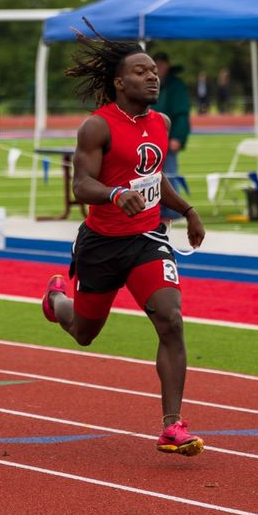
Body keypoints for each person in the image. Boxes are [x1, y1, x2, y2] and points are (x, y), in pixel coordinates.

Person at [41, 27, 206, 458]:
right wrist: (114, 193)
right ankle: (57, 299)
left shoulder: (162, 122)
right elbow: (81, 184)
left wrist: (186, 210)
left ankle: (173, 425)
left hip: (148, 238)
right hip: (102, 243)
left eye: (153, 71)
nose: (152, 77)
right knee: (83, 331)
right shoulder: (97, 126)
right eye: (140, 71)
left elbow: (156, 177)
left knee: (170, 319)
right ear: (120, 81)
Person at [152, 52, 191, 223]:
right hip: (149, 137)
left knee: (168, 173)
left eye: (161, 65)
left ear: (167, 65)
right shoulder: (150, 83)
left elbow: (182, 114)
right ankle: (155, 208)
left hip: (167, 137)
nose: (158, 69)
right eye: (156, 65)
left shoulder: (175, 86)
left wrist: (177, 137)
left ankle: (171, 210)